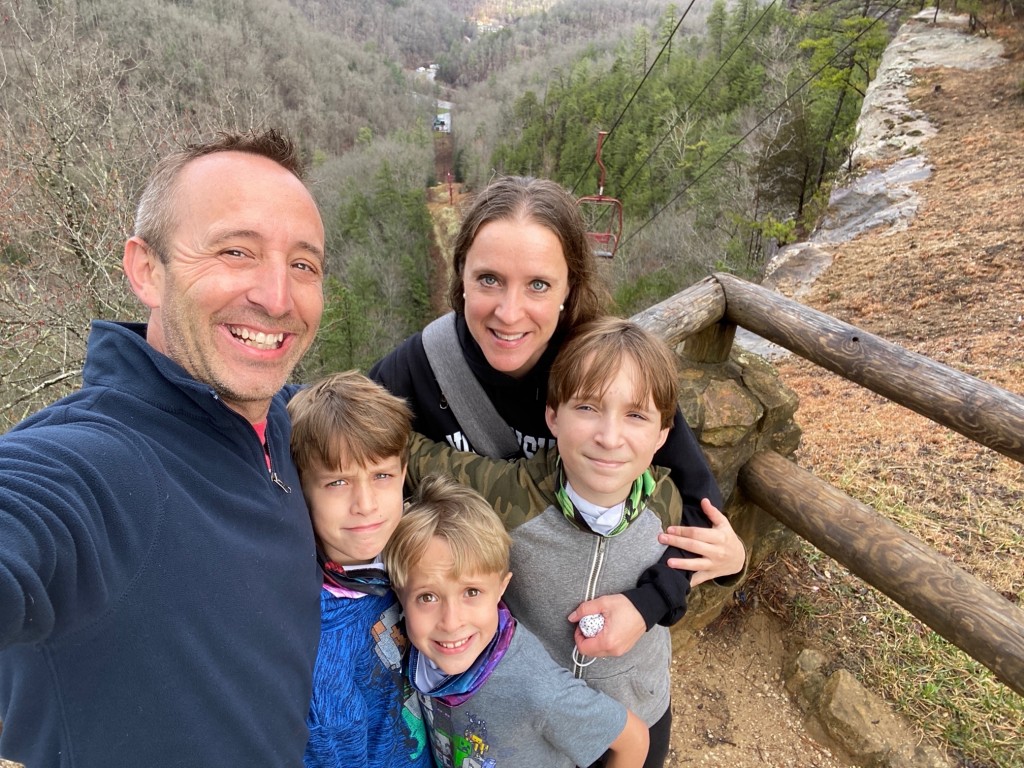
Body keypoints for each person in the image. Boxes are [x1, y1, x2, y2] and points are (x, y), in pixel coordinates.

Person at [0, 130, 326, 766]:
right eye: (236, 252)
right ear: (147, 270)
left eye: (303, 265)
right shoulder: (100, 462)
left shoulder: (289, 423)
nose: (277, 297)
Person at [369, 175, 745, 661]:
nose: (509, 313)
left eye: (539, 285)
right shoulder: (421, 367)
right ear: (461, 280)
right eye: (489, 279)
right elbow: (344, 445)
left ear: (570, 288)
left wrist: (648, 603)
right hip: (469, 653)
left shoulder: (603, 373)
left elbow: (704, 517)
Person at [404, 317, 714, 768]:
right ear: (553, 416)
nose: (609, 437)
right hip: (533, 730)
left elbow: (712, 559)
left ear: (662, 436)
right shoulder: (510, 494)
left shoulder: (670, 501)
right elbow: (409, 453)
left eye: (635, 415)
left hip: (641, 712)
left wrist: (736, 564)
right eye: (587, 407)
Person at [382, 474, 650, 768]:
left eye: (471, 592)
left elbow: (633, 740)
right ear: (399, 593)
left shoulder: (536, 688)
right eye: (427, 597)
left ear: (501, 588)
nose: (451, 622)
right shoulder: (418, 649)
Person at [286, 371, 431, 768]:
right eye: (337, 482)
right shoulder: (318, 645)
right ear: (302, 488)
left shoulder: (418, 558)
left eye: (381, 476)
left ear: (403, 474)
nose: (365, 504)